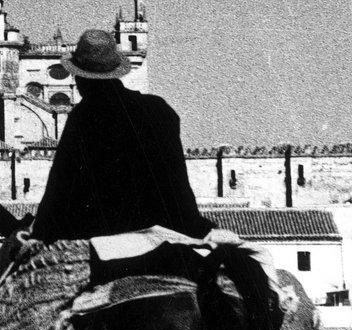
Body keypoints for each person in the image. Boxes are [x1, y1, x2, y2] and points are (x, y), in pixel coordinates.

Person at [30, 28, 224, 247]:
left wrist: (38, 233)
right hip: (174, 226)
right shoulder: (161, 110)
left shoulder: (82, 117)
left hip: (105, 233)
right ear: (116, 71)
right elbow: (178, 183)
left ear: (79, 78)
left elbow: (59, 189)